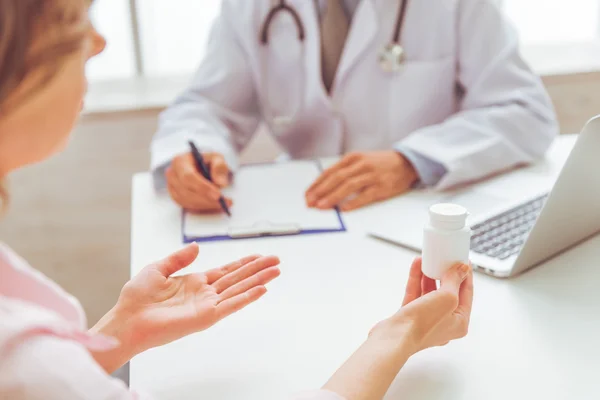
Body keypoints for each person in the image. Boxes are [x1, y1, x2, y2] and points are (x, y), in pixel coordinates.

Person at [0, 1, 473, 399]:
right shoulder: (26, 361)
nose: (100, 43)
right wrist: (397, 336)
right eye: (72, 21)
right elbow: (40, 375)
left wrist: (121, 331)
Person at [151, 0, 558, 214]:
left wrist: (411, 161)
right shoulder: (250, 5)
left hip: (415, 212)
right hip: (306, 209)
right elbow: (206, 106)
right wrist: (192, 155)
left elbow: (525, 110)